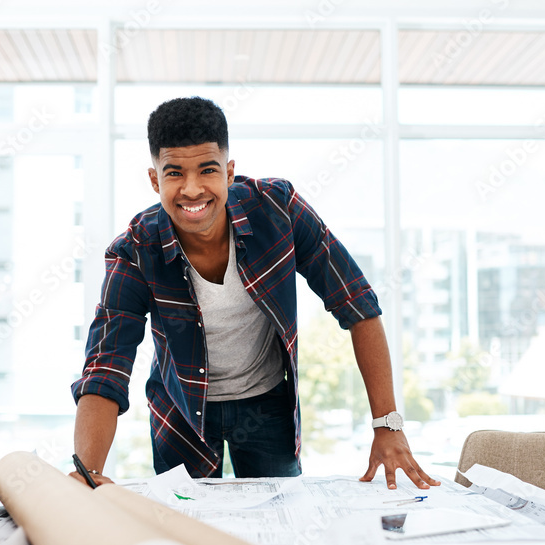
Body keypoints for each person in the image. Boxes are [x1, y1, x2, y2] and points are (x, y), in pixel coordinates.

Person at [71, 96, 438, 491]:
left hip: (266, 405)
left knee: (281, 523)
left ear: (229, 172)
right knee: (185, 528)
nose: (192, 190)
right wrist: (88, 474)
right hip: (180, 411)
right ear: (155, 179)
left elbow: (358, 305)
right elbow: (106, 368)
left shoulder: (279, 211)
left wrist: (388, 426)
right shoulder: (134, 250)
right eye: (175, 173)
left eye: (207, 170)